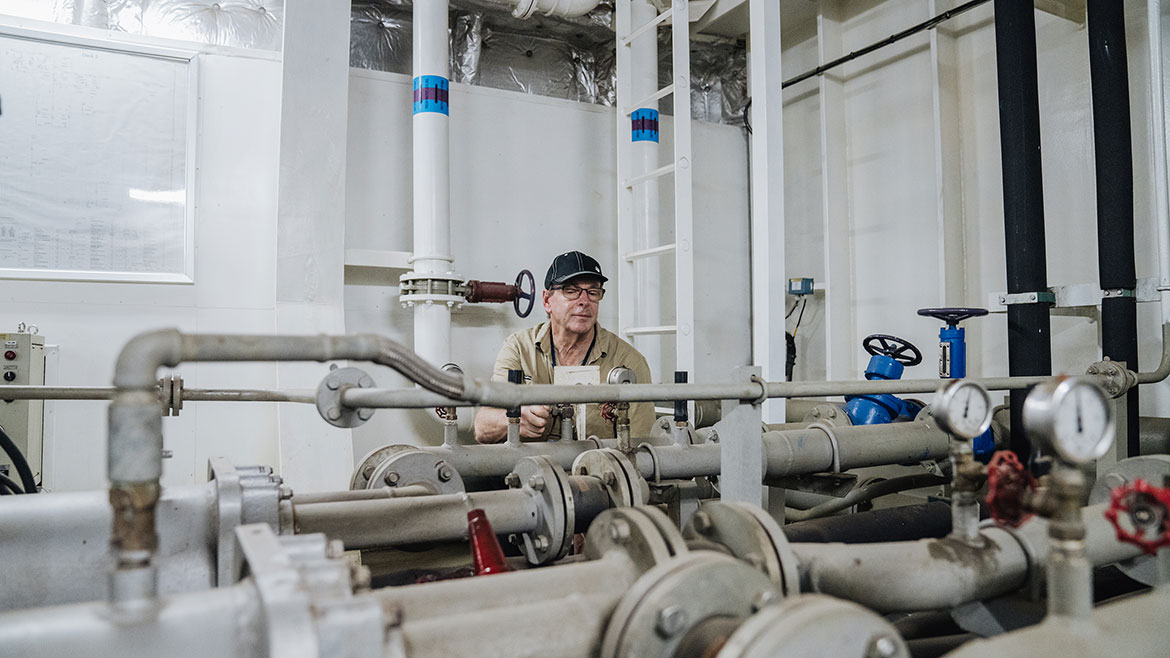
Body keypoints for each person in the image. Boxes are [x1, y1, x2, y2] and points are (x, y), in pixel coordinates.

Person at [474, 251, 654, 443]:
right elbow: (482, 429)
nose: (584, 301)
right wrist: (513, 420)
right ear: (547, 301)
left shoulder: (627, 362)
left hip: (599, 463)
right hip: (532, 462)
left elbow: (640, 447)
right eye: (571, 291)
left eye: (593, 292)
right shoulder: (519, 348)